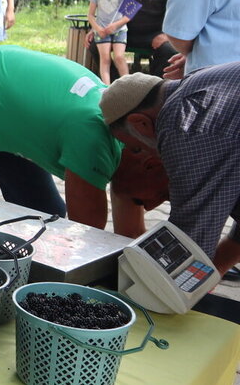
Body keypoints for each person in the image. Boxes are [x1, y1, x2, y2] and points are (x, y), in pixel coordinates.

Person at [0, 45, 165, 238]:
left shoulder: (133, 138)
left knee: (45, 215)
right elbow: (88, 238)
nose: (150, 208)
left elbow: (129, 234)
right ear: (149, 165)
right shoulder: (94, 139)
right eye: (151, 198)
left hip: (3, 108)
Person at [100, 65, 240, 273]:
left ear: (140, 124)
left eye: (138, 147)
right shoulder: (198, 79)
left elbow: (190, 240)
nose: (150, 157)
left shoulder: (182, 123)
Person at [119, 0, 177, 76]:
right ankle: (112, 80)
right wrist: (97, 29)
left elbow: (178, 14)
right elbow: (114, 12)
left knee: (169, 50)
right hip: (127, 33)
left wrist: (166, 35)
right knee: (94, 43)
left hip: (155, 35)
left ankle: (154, 85)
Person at [86, 0, 132, 84]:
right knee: (105, 58)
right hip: (101, 31)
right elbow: (90, 15)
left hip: (120, 30)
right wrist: (97, 28)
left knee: (119, 56)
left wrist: (115, 25)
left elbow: (128, 15)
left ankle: (127, 85)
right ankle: (106, 87)